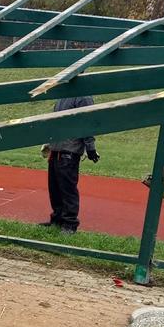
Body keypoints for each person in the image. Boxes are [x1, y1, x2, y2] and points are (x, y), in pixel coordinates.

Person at [39, 96, 100, 234]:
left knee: (67, 189)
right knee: (54, 188)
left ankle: (70, 224)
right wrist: (49, 142)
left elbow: (88, 122)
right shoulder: (63, 96)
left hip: (69, 149)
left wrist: (90, 147)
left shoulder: (83, 96)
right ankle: (57, 220)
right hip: (56, 148)